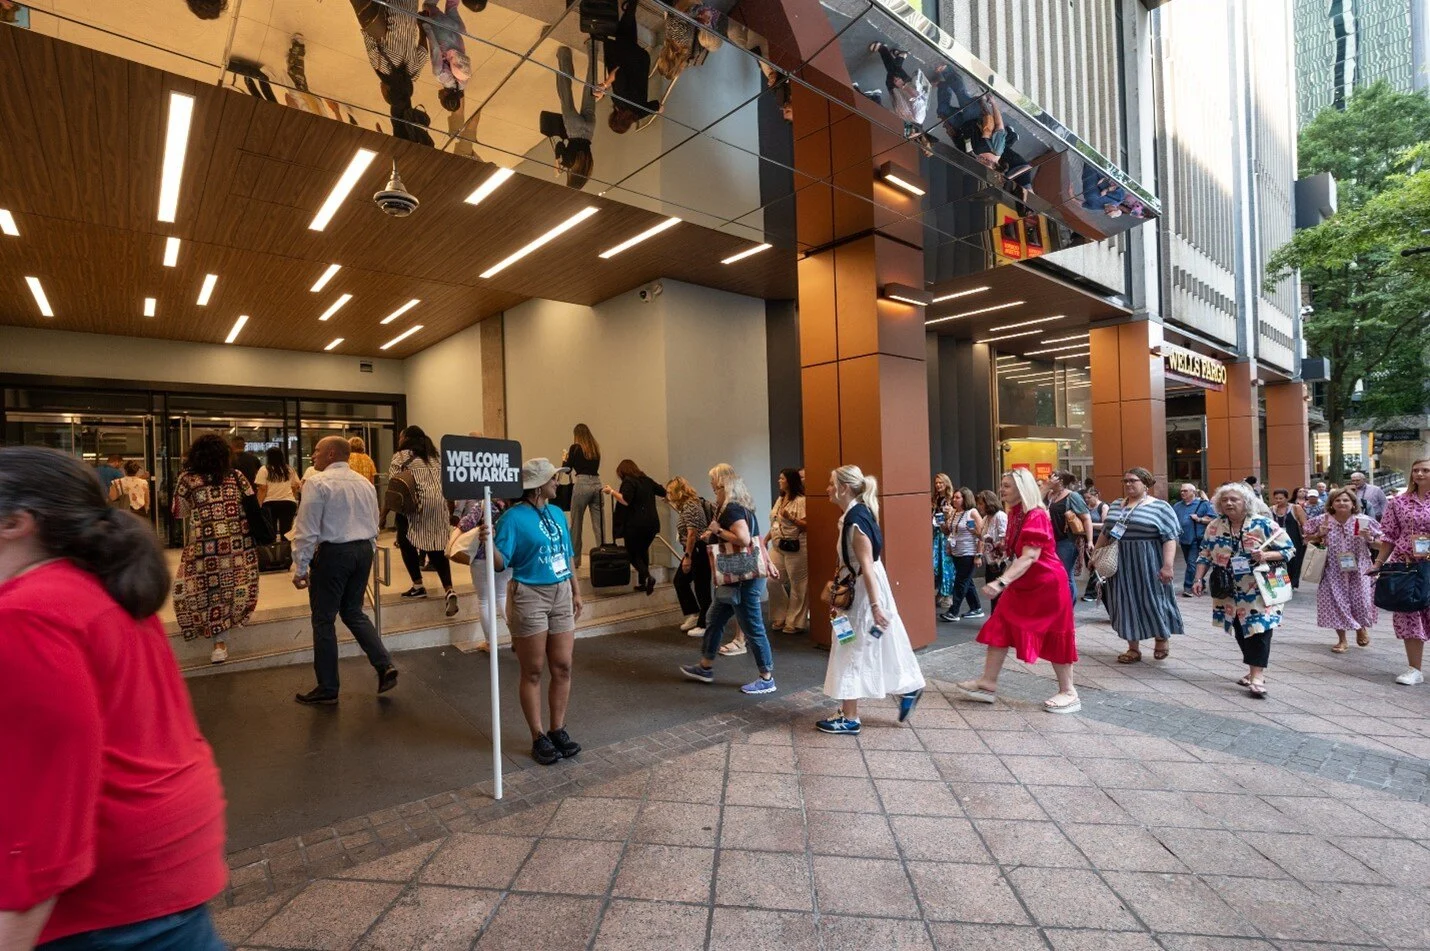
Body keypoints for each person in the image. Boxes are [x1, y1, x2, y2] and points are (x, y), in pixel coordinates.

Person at [0, 447, 229, 950]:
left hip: (104, 898)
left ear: (17, 522)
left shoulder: (27, 614)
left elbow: (40, 813)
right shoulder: (103, 587)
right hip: (165, 859)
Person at [481, 458, 584, 765]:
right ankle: (538, 735)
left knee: (563, 666)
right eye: (554, 478)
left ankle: (558, 729)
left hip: (561, 591)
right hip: (529, 595)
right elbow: (502, 563)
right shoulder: (512, 519)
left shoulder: (555, 512)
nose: (558, 482)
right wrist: (489, 545)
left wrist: (576, 590)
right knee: (534, 670)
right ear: (539, 485)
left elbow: (567, 555)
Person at [954, 468, 1080, 712]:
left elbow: (1031, 555)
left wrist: (1001, 581)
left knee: (1056, 634)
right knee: (999, 624)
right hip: (1024, 583)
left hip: (1046, 585)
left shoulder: (1036, 515)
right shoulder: (1015, 514)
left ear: (1022, 489)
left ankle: (1069, 692)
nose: (1001, 489)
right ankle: (987, 683)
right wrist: (1000, 547)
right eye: (1002, 484)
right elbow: (1019, 550)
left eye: (1007, 486)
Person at [815, 465, 926, 735]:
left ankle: (850, 716)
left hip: (862, 596)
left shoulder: (854, 521)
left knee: (850, 646)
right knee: (875, 641)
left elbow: (866, 566)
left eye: (831, 484)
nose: (827, 489)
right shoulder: (857, 516)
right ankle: (908, 687)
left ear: (844, 487)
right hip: (863, 592)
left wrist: (876, 606)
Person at [290, 437, 397, 704]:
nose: (312, 456)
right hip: (362, 551)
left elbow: (307, 529)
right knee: (352, 611)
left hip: (333, 554)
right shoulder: (364, 483)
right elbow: (374, 523)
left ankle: (327, 687)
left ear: (331, 453)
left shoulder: (317, 482)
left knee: (324, 619)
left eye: (316, 451)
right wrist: (369, 550)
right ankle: (384, 665)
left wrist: (300, 567)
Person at [679, 463, 779, 694]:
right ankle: (705, 666)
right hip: (737, 578)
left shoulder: (731, 509)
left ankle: (767, 677)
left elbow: (744, 540)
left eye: (715, 485)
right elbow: (756, 538)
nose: (713, 488)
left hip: (742, 579)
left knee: (752, 627)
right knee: (714, 619)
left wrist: (716, 530)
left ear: (723, 484)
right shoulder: (741, 506)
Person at [1192, 481, 1295, 698]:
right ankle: (1253, 669)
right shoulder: (1214, 526)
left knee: (1259, 628)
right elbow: (1204, 554)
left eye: (1234, 499)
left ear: (1245, 502)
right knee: (1240, 629)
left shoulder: (1263, 524)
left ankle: (1257, 675)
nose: (1228, 503)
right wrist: (1198, 579)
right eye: (1224, 500)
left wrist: (1266, 555)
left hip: (1261, 588)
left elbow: (1289, 550)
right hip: (1228, 589)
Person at [172, 434, 259, 665]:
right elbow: (253, 506)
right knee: (233, 585)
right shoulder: (237, 477)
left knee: (205, 589)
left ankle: (215, 640)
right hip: (237, 545)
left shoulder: (187, 480)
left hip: (203, 546)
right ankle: (223, 635)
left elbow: (179, 512)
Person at [1092, 467, 1184, 663]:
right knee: (1124, 602)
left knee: (1153, 599)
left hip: (1148, 561)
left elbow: (1170, 538)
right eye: (1125, 481)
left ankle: (1161, 638)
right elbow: (1106, 532)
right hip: (1121, 562)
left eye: (1133, 481)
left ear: (1146, 483)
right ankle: (1133, 648)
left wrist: (1167, 566)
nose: (1128, 484)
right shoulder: (1117, 505)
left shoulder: (1160, 507)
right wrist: (1096, 554)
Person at [1369, 456, 1430, 685]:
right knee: (1409, 613)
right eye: (1416, 470)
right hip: (1406, 565)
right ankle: (1414, 669)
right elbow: (1390, 537)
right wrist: (1378, 564)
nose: (1420, 474)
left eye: (1425, 470)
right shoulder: (1398, 502)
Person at [386, 425, 457, 616]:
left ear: (406, 438)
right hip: (439, 504)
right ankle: (449, 588)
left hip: (415, 504)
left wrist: (383, 514)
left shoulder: (401, 457)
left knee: (406, 540)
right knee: (436, 546)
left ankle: (417, 585)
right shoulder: (436, 457)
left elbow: (395, 483)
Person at [1304, 487, 1380, 653]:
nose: (1341, 503)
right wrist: (1319, 535)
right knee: (1336, 603)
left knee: (1361, 601)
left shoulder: (1364, 520)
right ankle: (1342, 640)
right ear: (1331, 504)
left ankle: (1360, 628)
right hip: (1332, 569)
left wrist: (1369, 538)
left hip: (1359, 568)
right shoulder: (1322, 520)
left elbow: (1382, 543)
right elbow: (1306, 540)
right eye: (1337, 500)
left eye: (1346, 500)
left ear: (1353, 504)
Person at [595, 0, 660, 133]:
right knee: (622, 35)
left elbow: (658, 105)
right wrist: (605, 85)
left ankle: (631, 8)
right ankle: (630, 8)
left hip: (641, 61)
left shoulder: (638, 114)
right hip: (628, 58)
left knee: (629, 36)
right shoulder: (620, 100)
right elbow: (618, 73)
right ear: (615, 117)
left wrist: (659, 109)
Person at [604, 459, 665, 594]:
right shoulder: (646, 480)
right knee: (643, 550)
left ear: (622, 471)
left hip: (636, 524)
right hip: (652, 524)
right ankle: (643, 583)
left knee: (631, 553)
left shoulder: (628, 481)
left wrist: (611, 491)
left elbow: (625, 500)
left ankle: (648, 577)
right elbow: (663, 491)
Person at [668, 476, 712, 636]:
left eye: (670, 492)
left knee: (702, 587)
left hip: (698, 550)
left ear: (677, 492)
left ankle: (704, 624)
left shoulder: (691, 506)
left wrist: (687, 556)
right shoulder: (688, 506)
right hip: (695, 550)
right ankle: (694, 614)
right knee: (680, 581)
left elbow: (692, 533)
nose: (668, 496)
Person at [767, 467, 809, 634]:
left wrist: (791, 517)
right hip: (778, 546)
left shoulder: (801, 501)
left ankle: (795, 621)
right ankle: (780, 614)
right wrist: (765, 539)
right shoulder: (780, 499)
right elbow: (776, 522)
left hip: (796, 546)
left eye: (782, 478)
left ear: (790, 481)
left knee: (798, 584)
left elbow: (807, 525)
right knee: (772, 579)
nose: (779, 481)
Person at [551, 43, 596, 189]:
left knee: (590, 88)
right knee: (565, 92)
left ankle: (593, 48)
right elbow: (559, 145)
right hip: (573, 129)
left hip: (589, 131)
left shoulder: (588, 167)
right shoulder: (569, 163)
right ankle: (564, 54)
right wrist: (557, 161)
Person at [937, 486, 985, 623]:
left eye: (958, 497)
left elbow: (981, 534)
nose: (954, 500)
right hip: (956, 552)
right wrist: (941, 523)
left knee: (960, 582)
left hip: (969, 552)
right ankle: (976, 607)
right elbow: (948, 532)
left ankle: (953, 611)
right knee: (966, 581)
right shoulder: (954, 513)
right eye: (954, 497)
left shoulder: (972, 512)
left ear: (965, 498)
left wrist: (979, 554)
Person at [1048, 471, 1092, 603]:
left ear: (1060, 480)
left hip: (1067, 541)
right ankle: (1061, 606)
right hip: (1052, 541)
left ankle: (1069, 608)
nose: (1049, 479)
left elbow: (1086, 517)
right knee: (1056, 575)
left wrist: (1089, 541)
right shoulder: (1051, 495)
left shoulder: (1072, 496)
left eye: (1052, 477)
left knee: (1066, 575)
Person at [564, 423, 604, 569]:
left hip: (582, 484)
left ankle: (575, 561)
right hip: (597, 484)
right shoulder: (595, 448)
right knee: (599, 525)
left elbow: (567, 469)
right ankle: (603, 556)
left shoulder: (575, 448)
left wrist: (564, 458)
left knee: (576, 524)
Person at [868, 41, 930, 129]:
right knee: (892, 70)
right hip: (904, 86)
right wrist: (902, 85)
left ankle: (901, 57)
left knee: (892, 72)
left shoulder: (908, 123)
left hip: (896, 91)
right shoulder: (919, 118)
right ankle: (882, 48)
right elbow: (917, 97)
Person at [1172, 482, 1213, 596]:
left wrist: (1199, 519)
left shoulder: (1203, 504)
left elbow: (1213, 519)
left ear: (1193, 492)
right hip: (1183, 539)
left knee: (1191, 563)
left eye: (1185, 491)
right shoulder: (1177, 506)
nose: (1182, 493)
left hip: (1197, 538)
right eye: (1181, 491)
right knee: (1191, 563)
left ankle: (1188, 587)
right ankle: (1201, 583)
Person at [255, 446, 302, 537]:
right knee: (286, 531)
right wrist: (290, 496)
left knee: (271, 532)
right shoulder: (289, 469)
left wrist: (259, 505)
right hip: (288, 503)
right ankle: (286, 550)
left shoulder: (264, 469)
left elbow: (262, 489)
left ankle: (273, 550)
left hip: (270, 503)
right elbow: (295, 486)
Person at [1270, 488, 1307, 588]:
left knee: (1294, 562)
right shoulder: (1271, 510)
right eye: (1276, 498)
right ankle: (1282, 583)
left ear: (1286, 498)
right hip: (1278, 540)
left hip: (1294, 539)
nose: (1278, 500)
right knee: (1280, 561)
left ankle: (1292, 583)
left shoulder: (1296, 508)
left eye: (1281, 498)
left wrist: (1306, 537)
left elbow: (1305, 524)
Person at [931, 473, 957, 611]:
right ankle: (940, 591)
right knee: (936, 564)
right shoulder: (935, 499)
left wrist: (949, 513)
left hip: (946, 535)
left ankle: (947, 594)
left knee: (946, 564)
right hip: (936, 534)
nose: (938, 485)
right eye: (936, 483)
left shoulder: (951, 499)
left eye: (941, 483)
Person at [1081, 485, 1110, 601]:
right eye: (1085, 498)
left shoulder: (1103, 507)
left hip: (1099, 539)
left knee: (1096, 565)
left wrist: (1089, 525)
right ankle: (1101, 589)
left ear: (1096, 496)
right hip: (1088, 540)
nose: (1087, 500)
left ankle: (1090, 593)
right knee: (1091, 566)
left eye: (1089, 497)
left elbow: (1105, 525)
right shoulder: (1086, 507)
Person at [976, 489, 1007, 591]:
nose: (979, 507)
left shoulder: (1000, 516)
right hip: (990, 562)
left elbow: (1005, 538)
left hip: (1001, 562)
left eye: (981, 504)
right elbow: (982, 538)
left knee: (1000, 594)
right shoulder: (985, 518)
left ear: (989, 503)